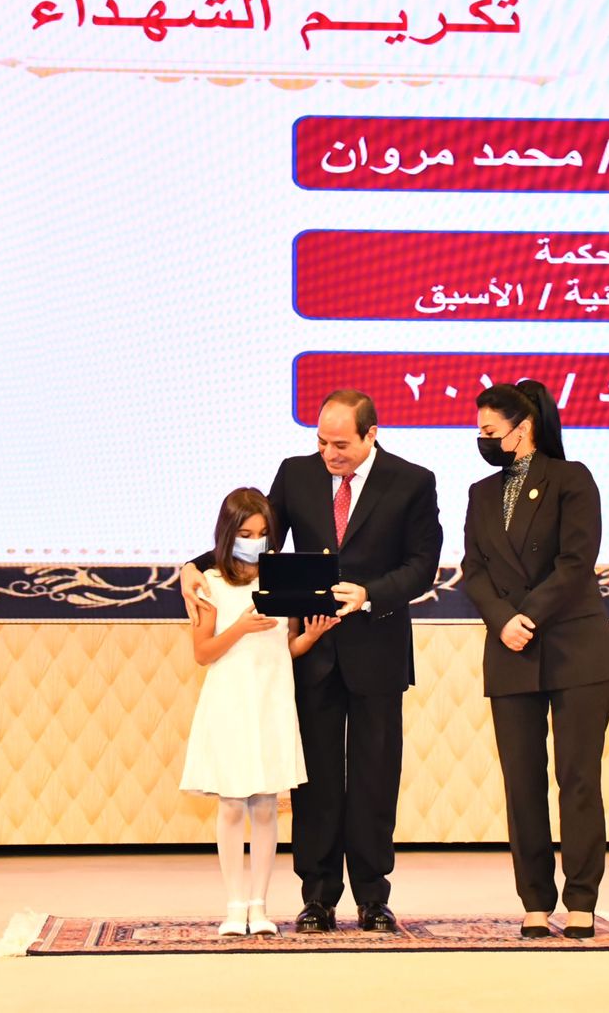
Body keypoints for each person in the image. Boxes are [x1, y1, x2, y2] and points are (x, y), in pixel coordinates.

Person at [181, 390, 442, 934]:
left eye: (340, 444)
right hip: (312, 653)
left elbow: (422, 565)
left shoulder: (412, 481)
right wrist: (192, 565)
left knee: (374, 777)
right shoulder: (296, 474)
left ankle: (373, 897)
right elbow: (257, 534)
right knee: (316, 782)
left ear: (371, 434)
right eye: (322, 442)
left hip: (377, 649)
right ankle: (318, 898)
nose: (329, 453)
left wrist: (368, 593)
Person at [460, 381, 609, 940]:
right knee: (521, 781)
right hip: (509, 647)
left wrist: (526, 615)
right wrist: (502, 620)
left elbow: (576, 562)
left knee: (578, 777)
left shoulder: (571, 479)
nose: (482, 439)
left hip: (575, 647)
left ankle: (581, 898)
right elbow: (474, 570)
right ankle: (534, 898)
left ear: (521, 428)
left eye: (489, 430)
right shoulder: (482, 493)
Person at [179, 487, 337, 936]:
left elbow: (287, 646)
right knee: (232, 804)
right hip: (231, 701)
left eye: (263, 533)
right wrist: (241, 626)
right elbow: (203, 652)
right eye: (246, 534)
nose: (255, 541)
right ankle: (234, 905)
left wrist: (310, 637)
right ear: (227, 533)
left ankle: (259, 905)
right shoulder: (208, 581)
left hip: (272, 698)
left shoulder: (281, 578)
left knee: (266, 805)